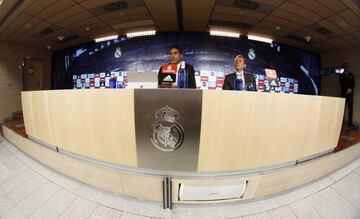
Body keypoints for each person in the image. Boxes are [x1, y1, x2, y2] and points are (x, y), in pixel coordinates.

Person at [340, 62, 356, 128]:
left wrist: (351, 89)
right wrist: (347, 89)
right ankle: (341, 122)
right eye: (345, 66)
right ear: (343, 67)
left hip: (350, 94)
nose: (346, 67)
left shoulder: (351, 74)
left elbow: (354, 83)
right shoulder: (341, 75)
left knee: (350, 109)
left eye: (347, 66)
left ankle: (350, 123)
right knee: (342, 109)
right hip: (344, 94)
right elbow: (341, 84)